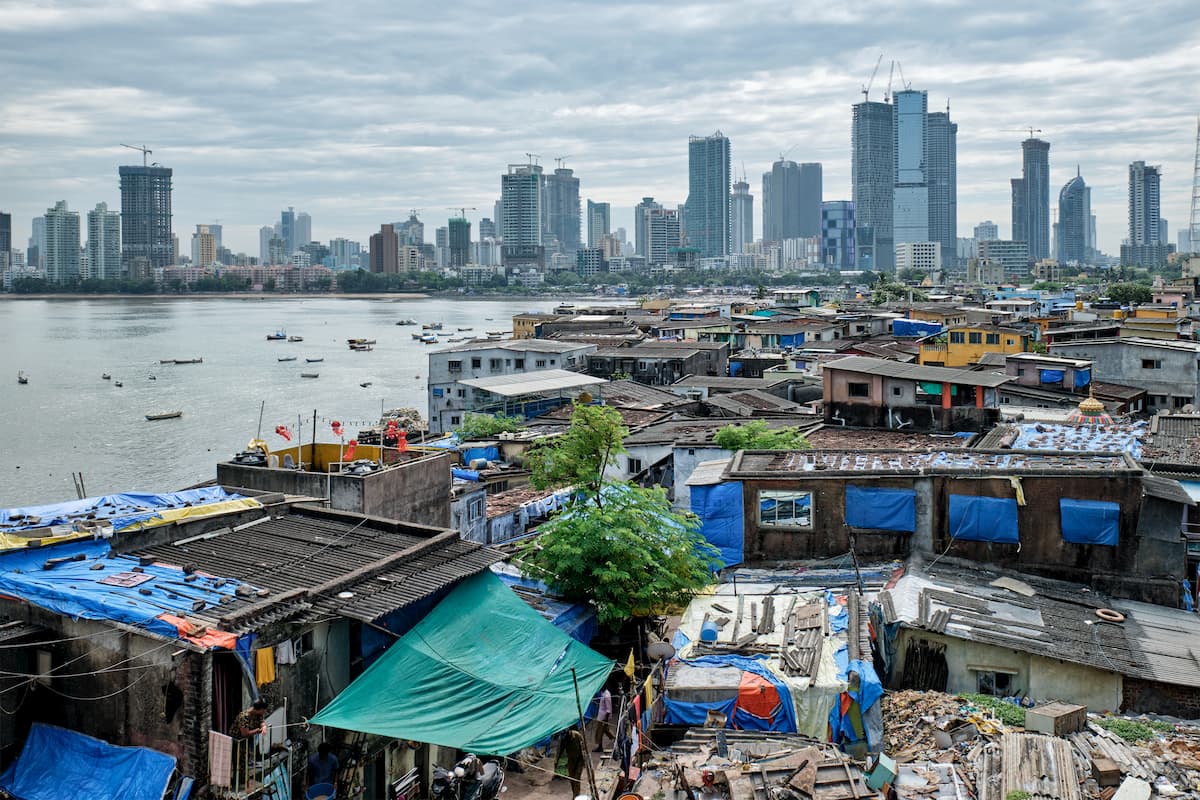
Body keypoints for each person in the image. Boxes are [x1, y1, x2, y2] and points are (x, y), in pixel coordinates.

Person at [557, 728, 586, 799]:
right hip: (571, 760)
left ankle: (576, 796)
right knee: (572, 779)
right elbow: (561, 749)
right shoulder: (563, 739)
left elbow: (583, 748)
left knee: (576, 779)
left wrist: (584, 761)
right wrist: (557, 761)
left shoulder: (577, 735)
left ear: (569, 732)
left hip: (579, 760)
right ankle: (575, 794)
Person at [592, 688, 613, 753]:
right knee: (606, 731)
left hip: (603, 718)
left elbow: (608, 709)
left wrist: (605, 720)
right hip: (601, 716)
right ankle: (616, 739)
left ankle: (600, 747)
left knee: (599, 732)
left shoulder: (607, 695)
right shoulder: (603, 693)